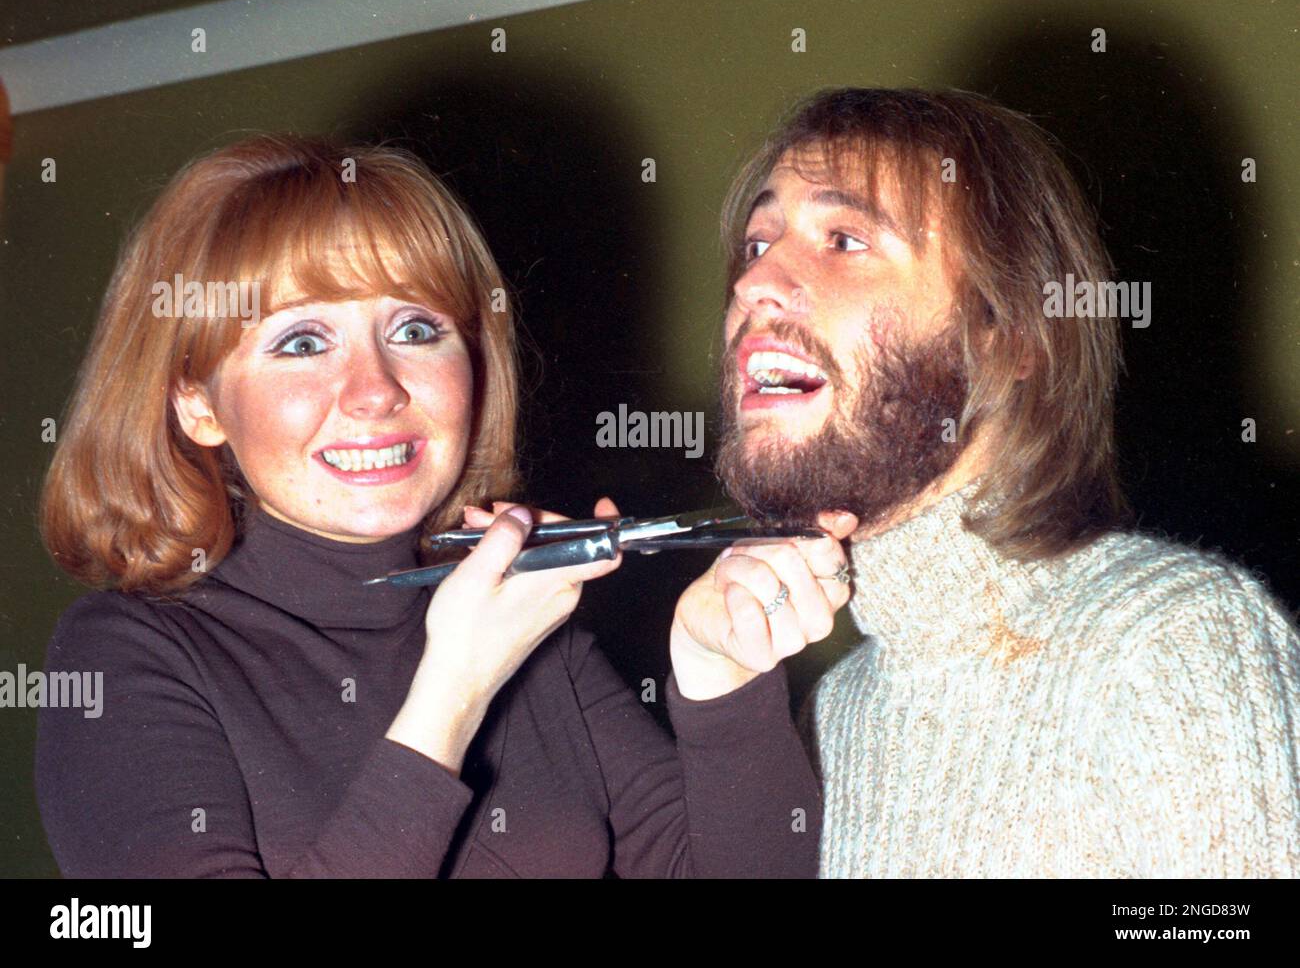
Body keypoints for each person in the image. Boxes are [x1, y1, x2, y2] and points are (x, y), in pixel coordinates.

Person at [35, 133, 847, 878]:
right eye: (303, 343)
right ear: (197, 406)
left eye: (417, 329)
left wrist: (722, 675)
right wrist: (452, 692)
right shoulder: (128, 655)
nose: (376, 391)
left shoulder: (527, 630)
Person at [704, 87, 1300, 877]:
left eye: (844, 238)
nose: (755, 283)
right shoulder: (832, 716)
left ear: (1011, 337)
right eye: (756, 245)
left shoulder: (1171, 642)